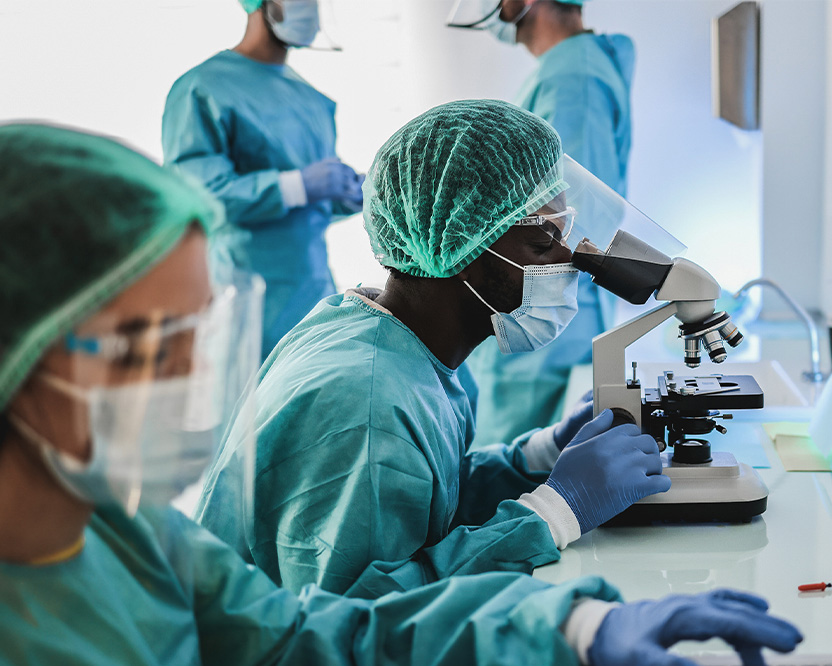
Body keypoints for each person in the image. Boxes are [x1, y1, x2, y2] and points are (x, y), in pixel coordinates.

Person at [0, 123, 832, 666]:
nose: (190, 382)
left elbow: (306, 652)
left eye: (197, 336)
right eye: (148, 347)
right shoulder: (360, 397)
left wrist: (571, 625)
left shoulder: (114, 532)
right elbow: (350, 594)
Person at [196, 99, 670, 605]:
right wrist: (555, 513)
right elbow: (365, 620)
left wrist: (542, 453)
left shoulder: (390, 337)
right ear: (463, 246)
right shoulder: (367, 402)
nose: (571, 260)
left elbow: (419, 497)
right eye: (543, 243)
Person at [448, 0, 635, 446]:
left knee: (522, 485)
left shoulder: (573, 78)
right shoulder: (569, 67)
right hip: (541, 312)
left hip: (543, 319)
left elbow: (568, 220)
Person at [163, 0, 363, 358]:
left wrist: (345, 194)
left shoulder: (312, 99)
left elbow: (308, 206)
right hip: (241, 297)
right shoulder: (202, 88)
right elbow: (197, 198)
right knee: (243, 406)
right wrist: (297, 185)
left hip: (313, 292)